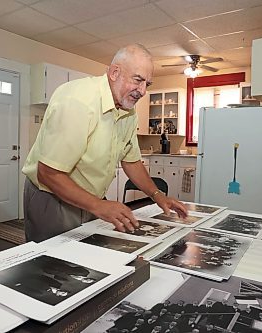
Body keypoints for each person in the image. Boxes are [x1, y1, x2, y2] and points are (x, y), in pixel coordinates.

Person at [22, 44, 188, 241]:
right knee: (52, 264)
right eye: (138, 80)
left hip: (90, 198)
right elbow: (48, 173)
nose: (142, 91)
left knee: (87, 259)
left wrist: (158, 195)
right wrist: (98, 205)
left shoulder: (128, 111)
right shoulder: (78, 101)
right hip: (51, 196)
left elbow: (132, 161)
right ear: (115, 73)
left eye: (147, 84)